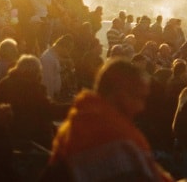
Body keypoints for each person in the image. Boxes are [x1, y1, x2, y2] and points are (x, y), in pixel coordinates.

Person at [44, 58, 174, 181]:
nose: (141, 107)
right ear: (119, 95)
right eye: (138, 97)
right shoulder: (115, 138)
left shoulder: (75, 124)